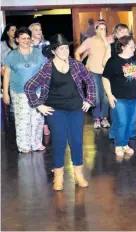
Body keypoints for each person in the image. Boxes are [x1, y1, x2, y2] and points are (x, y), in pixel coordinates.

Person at [24, 34, 95, 190]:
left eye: (66, 48)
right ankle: (58, 176)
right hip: (55, 110)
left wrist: (89, 100)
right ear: (54, 51)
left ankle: (79, 174)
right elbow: (29, 86)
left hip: (76, 108)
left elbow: (89, 81)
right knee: (59, 141)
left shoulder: (76, 65)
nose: (64, 51)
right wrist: (38, 105)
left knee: (76, 140)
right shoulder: (47, 68)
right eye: (60, 48)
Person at [2, 27, 46, 153]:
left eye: (28, 38)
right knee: (22, 119)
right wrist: (5, 93)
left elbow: (44, 72)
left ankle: (36, 143)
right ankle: (24, 145)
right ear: (17, 40)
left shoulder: (38, 53)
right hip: (19, 92)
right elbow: (7, 75)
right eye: (22, 38)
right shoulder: (12, 55)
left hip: (37, 91)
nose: (26, 41)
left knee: (37, 119)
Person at [103, 36, 136, 156]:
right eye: (131, 46)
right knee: (121, 121)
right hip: (120, 97)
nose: (134, 49)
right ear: (122, 47)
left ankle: (125, 144)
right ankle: (119, 144)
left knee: (131, 121)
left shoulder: (135, 59)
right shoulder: (113, 61)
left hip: (135, 96)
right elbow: (105, 78)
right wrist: (110, 95)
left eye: (134, 46)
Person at [75, 19, 112, 129]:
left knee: (106, 96)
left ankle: (104, 117)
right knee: (95, 96)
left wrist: (104, 39)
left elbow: (111, 51)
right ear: (95, 29)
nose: (103, 31)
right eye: (100, 29)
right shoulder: (89, 40)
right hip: (93, 71)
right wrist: (81, 67)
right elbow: (78, 52)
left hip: (107, 72)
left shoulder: (109, 40)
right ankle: (96, 118)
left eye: (104, 29)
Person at [29, 22, 51, 136]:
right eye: (36, 29)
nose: (39, 31)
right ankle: (35, 126)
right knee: (34, 100)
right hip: (32, 76)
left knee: (45, 100)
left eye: (40, 29)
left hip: (45, 75)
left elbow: (50, 59)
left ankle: (45, 125)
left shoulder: (46, 43)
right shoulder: (28, 45)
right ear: (31, 32)